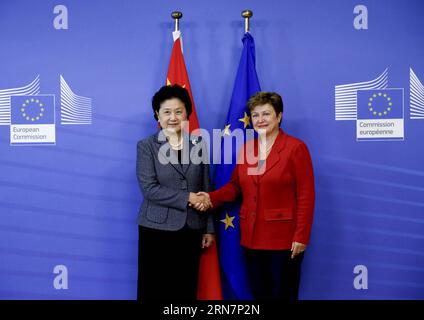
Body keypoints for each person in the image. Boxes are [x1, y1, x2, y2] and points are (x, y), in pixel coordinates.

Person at [197, 91, 315, 300]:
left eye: (266, 114)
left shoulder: (295, 148)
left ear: (278, 116)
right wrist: (209, 198)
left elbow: (306, 195)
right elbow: (235, 187)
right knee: (259, 295)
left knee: (284, 294)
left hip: (284, 241)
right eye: (255, 115)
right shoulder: (247, 149)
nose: (260, 120)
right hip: (251, 239)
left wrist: (301, 236)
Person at [136, 84, 214, 301]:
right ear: (157, 116)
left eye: (178, 111)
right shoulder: (146, 146)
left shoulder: (198, 143)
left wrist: (209, 228)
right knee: (154, 288)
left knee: (185, 287)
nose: (173, 117)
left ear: (187, 113)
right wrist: (187, 197)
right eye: (167, 112)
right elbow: (149, 189)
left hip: (191, 228)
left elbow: (206, 187)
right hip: (156, 228)